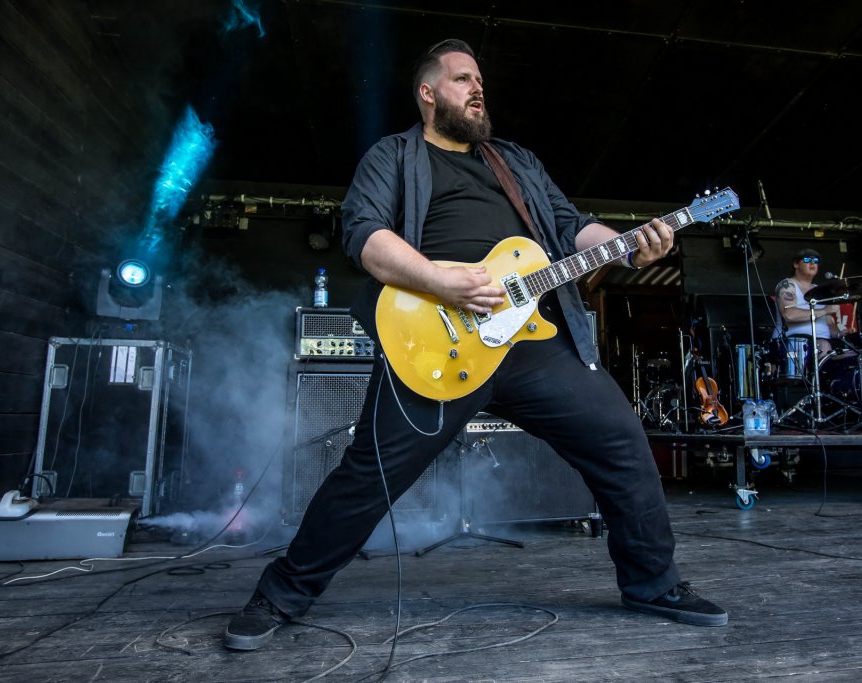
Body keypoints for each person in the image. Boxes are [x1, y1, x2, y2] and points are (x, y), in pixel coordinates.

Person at [223, 38, 727, 651]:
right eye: (462, 79)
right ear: (428, 93)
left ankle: (653, 584)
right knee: (369, 474)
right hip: (437, 340)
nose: (477, 88)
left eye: (480, 80)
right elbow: (364, 234)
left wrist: (629, 245)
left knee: (621, 441)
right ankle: (279, 595)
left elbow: (570, 228)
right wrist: (440, 282)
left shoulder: (515, 161)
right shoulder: (394, 155)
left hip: (533, 343)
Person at [774, 248, 846, 362]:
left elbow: (828, 323)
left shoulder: (820, 290)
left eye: (816, 261)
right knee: (824, 345)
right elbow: (789, 315)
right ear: (796, 264)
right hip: (794, 341)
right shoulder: (787, 285)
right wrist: (825, 310)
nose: (813, 263)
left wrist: (840, 334)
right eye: (807, 259)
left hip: (824, 341)